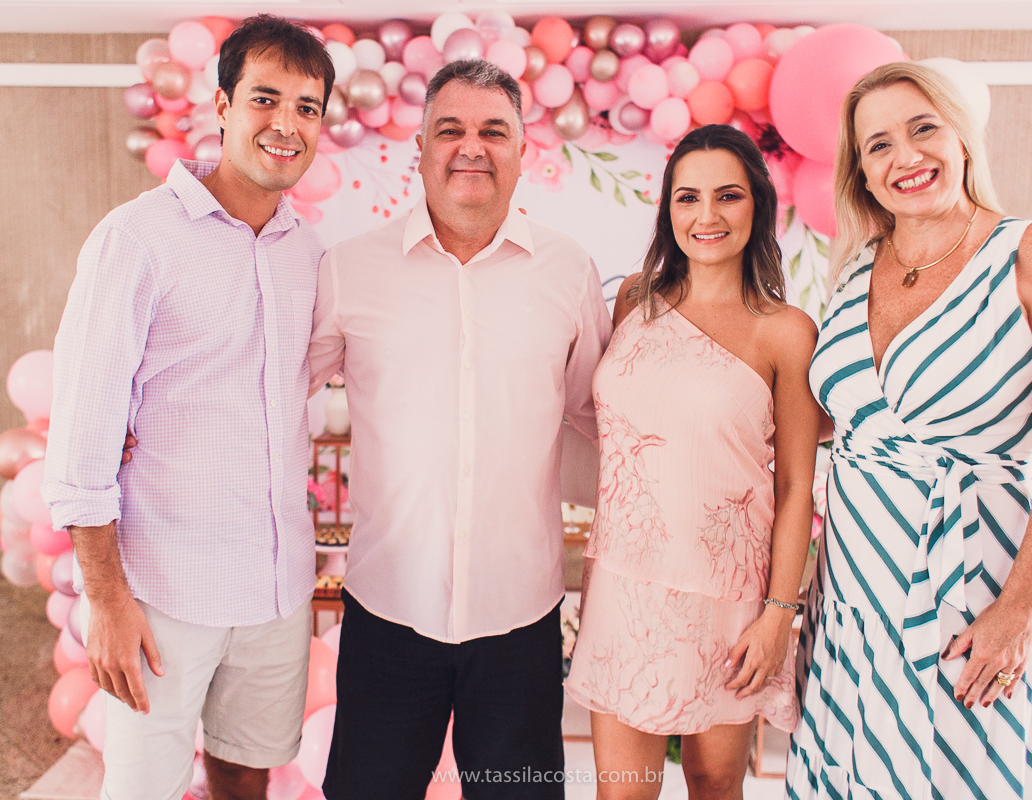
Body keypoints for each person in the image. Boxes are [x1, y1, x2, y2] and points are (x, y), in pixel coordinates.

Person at [787, 62, 1032, 799]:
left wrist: (1020, 606)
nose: (905, 156)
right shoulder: (856, 268)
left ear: (962, 137)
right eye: (878, 146)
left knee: (967, 772)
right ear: (861, 174)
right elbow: (843, 419)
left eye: (923, 129)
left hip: (976, 580)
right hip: (852, 587)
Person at [41, 16, 333, 800]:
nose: (286, 123)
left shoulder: (309, 253)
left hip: (274, 588)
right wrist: (107, 602)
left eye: (307, 107)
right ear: (223, 105)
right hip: (162, 589)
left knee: (245, 771)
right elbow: (83, 434)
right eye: (265, 98)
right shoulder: (137, 239)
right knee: (143, 787)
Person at [306, 59, 612, 800]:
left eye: (493, 131)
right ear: (420, 150)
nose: (471, 147)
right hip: (387, 611)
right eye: (451, 130)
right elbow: (275, 396)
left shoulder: (568, 272)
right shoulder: (349, 270)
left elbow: (600, 418)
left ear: (522, 151)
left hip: (520, 619)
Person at [563, 125, 820, 800]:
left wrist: (778, 614)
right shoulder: (635, 300)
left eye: (728, 196)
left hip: (729, 597)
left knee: (713, 783)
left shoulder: (785, 331)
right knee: (622, 791)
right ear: (668, 209)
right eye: (688, 197)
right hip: (624, 583)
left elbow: (796, 486)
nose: (707, 216)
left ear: (758, 205)